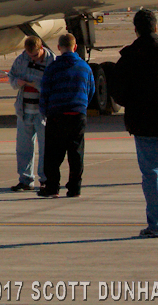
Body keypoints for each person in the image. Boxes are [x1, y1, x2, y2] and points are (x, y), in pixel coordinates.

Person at [110, 9, 158, 238]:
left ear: (136, 29)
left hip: (143, 123)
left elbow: (118, 94)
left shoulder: (129, 56)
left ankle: (157, 225)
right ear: (156, 27)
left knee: (151, 174)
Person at [38, 33, 94, 198]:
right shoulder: (85, 67)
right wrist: (81, 106)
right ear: (75, 47)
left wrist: (45, 111)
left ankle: (52, 187)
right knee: (76, 153)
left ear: (59, 48)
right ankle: (75, 188)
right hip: (77, 114)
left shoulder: (52, 68)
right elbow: (90, 91)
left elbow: (45, 92)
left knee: (53, 155)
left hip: (57, 115)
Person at [7, 36, 54, 191]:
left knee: (46, 147)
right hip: (24, 109)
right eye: (29, 55)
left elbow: (55, 84)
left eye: (34, 55)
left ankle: (46, 179)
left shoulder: (51, 61)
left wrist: (38, 85)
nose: (32, 58)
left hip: (42, 111)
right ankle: (25, 179)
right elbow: (12, 76)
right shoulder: (22, 59)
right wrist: (17, 83)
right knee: (23, 147)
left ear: (41, 49)